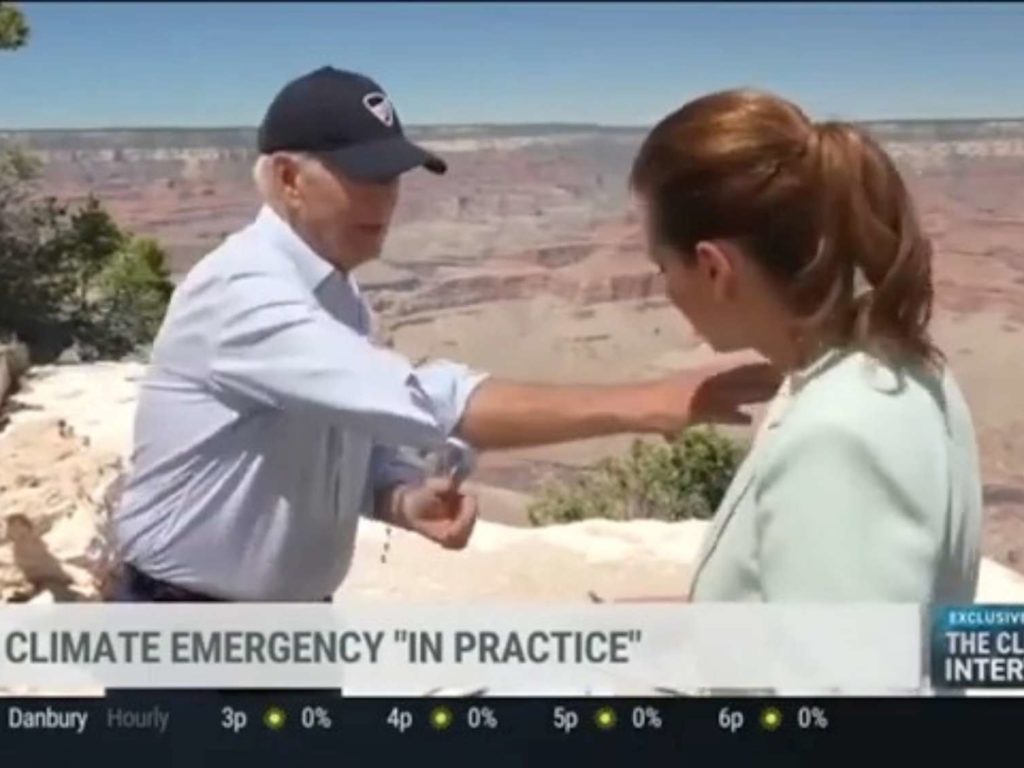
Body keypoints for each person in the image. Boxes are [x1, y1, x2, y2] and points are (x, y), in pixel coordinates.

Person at [107, 68, 778, 605]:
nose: (387, 200)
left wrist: (400, 498)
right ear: (288, 179)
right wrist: (648, 402)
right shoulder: (243, 294)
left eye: (394, 178)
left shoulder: (338, 294)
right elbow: (428, 401)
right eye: (365, 176)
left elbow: (354, 440)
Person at [619, 88, 982, 604]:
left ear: (714, 268)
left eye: (663, 267)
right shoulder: (901, 363)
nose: (665, 288)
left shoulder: (836, 436)